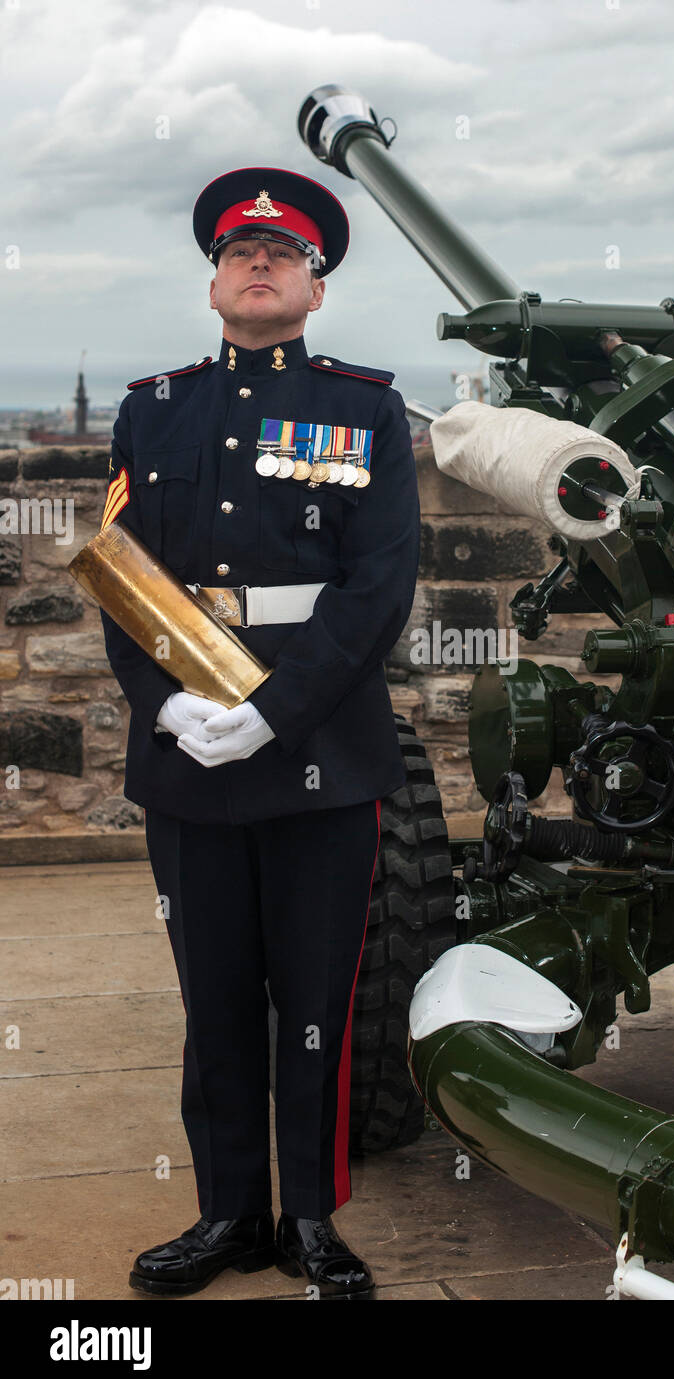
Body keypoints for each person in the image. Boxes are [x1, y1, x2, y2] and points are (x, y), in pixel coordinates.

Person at [99, 167, 421, 1299]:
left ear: (314, 291)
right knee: (216, 997)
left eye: (284, 256)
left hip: (322, 752)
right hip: (189, 752)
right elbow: (124, 577)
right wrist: (166, 704)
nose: (261, 263)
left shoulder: (365, 408)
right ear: (215, 280)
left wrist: (274, 712)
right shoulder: (153, 407)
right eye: (242, 251)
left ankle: (312, 1219)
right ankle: (228, 1212)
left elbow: (378, 588)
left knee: (318, 1000)